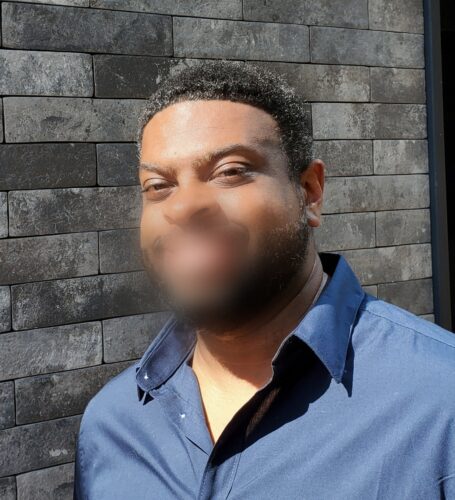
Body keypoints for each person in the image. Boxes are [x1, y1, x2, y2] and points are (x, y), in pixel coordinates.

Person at [73, 60, 455, 499]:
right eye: (159, 186)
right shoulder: (111, 425)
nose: (183, 207)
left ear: (310, 192)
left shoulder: (440, 400)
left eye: (230, 171)